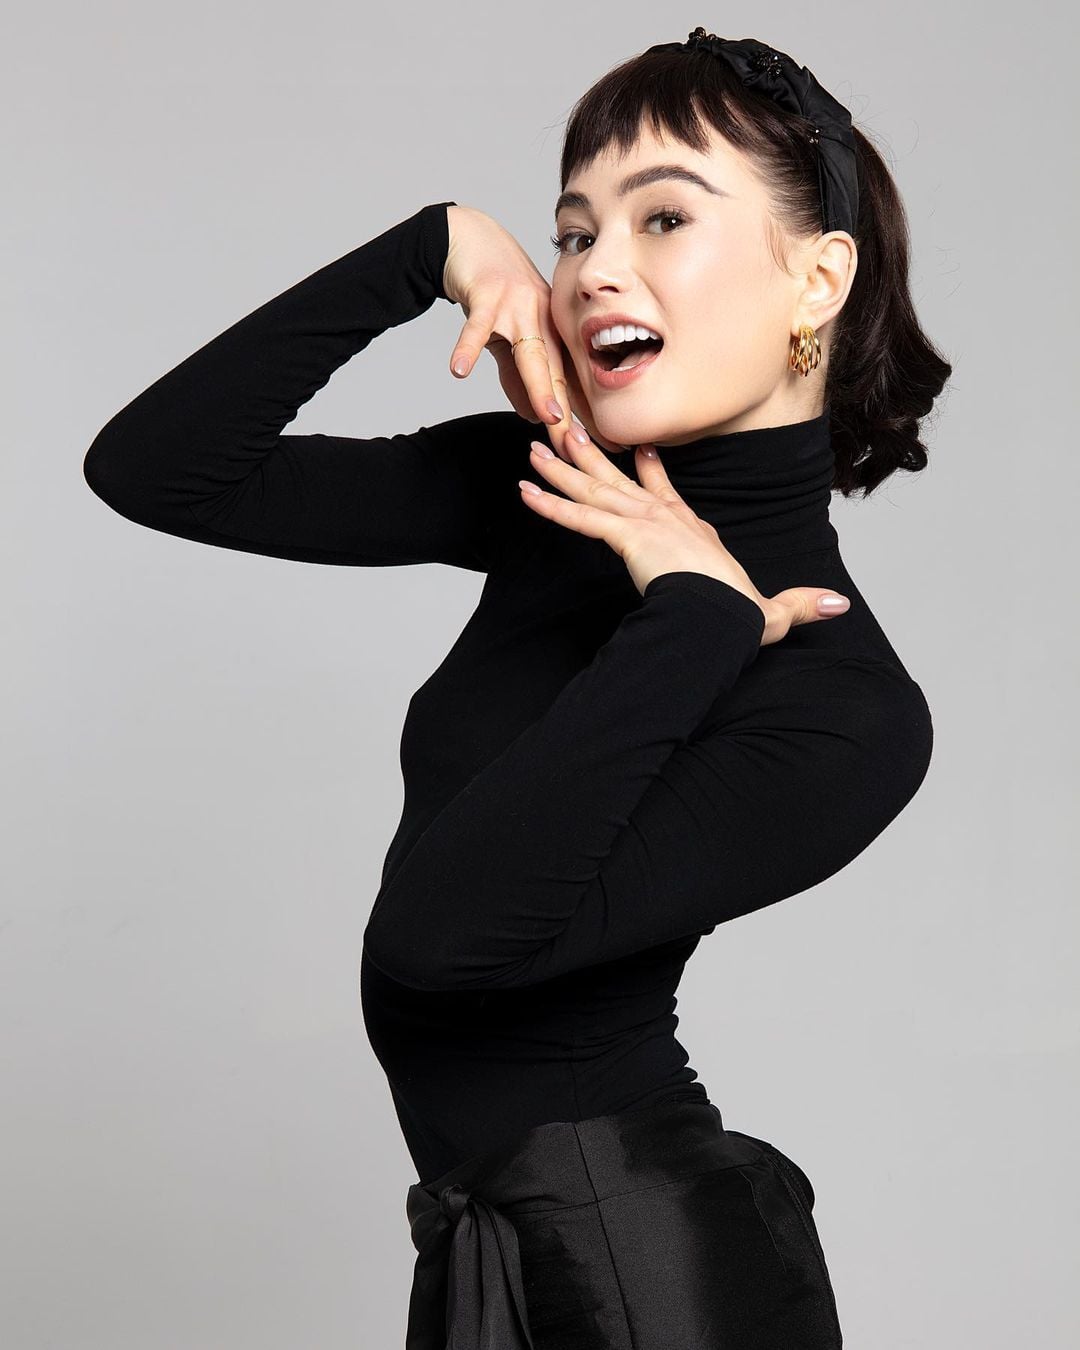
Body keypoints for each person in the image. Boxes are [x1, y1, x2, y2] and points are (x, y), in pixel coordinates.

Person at [82, 27, 949, 1350]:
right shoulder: (542, 493)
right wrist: (426, 249)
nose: (594, 267)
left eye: (664, 216)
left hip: (648, 1286)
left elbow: (437, 943)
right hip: (502, 1265)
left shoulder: (846, 703)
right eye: (571, 231)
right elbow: (155, 469)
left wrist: (697, 616)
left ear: (817, 280)